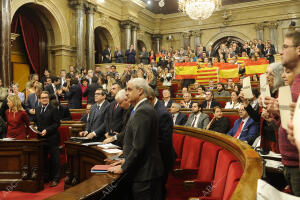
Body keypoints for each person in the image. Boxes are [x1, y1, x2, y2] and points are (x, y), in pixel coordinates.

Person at [108, 78, 163, 200]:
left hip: (144, 173)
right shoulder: (140, 108)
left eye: (129, 89)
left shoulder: (142, 111)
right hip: (143, 170)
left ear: (140, 91)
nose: (126, 92)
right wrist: (126, 159)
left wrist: (123, 167)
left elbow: (139, 146)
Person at [148, 87, 175, 200]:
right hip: (156, 159)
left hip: (161, 160)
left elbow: (164, 141)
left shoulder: (162, 113)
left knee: (158, 191)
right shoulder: (153, 108)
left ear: (150, 98)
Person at [34, 91, 60, 187]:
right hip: (41, 139)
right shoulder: (37, 109)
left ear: (48, 98)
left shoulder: (53, 109)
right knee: (43, 158)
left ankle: (55, 178)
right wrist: (35, 127)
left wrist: (47, 130)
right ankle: (46, 177)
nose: (44, 99)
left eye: (46, 97)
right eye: (42, 98)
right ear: (40, 99)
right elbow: (36, 121)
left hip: (52, 137)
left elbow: (57, 123)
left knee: (55, 159)